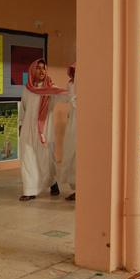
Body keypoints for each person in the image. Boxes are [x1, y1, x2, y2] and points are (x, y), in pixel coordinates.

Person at [19, 59, 67, 201]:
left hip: (44, 131)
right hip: (28, 130)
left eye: (44, 68)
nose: (41, 71)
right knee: (28, 158)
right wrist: (20, 125)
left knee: (46, 160)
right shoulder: (27, 89)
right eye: (38, 68)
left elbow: (65, 97)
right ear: (32, 70)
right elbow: (23, 109)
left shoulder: (50, 89)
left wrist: (74, 87)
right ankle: (29, 190)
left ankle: (52, 182)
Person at [60, 63, 77, 201]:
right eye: (74, 71)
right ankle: (76, 189)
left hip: (83, 124)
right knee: (70, 154)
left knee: (79, 156)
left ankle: (82, 189)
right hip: (72, 124)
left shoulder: (88, 85)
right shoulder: (70, 85)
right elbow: (66, 98)